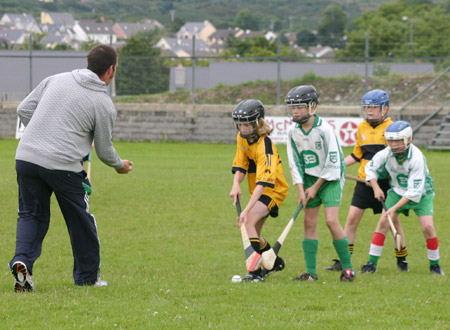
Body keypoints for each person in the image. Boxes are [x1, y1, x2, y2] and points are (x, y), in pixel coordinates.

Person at [9, 45, 133, 292]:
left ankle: (22, 263)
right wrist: (120, 165)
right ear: (111, 69)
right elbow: (105, 151)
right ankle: (88, 278)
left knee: (31, 215)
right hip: (63, 166)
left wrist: (42, 135)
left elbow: (23, 109)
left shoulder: (56, 79)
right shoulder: (103, 103)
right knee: (81, 221)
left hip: (26, 157)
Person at [325, 90, 408, 272]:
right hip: (363, 183)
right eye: (366, 107)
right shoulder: (362, 127)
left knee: (392, 222)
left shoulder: (392, 129)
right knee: (352, 219)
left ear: (385, 108)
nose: (369, 111)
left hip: (385, 184)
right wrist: (337, 167)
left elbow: (394, 159)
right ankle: (343, 260)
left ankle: (402, 260)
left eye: (373, 107)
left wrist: (378, 180)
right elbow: (357, 155)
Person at [285, 85, 355, 282]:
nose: (295, 111)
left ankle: (348, 269)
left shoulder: (325, 129)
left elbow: (333, 162)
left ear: (312, 107)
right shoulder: (292, 132)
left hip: (330, 178)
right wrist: (301, 190)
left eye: (300, 107)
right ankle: (310, 272)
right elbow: (294, 163)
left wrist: (315, 188)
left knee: (331, 221)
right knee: (308, 223)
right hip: (308, 179)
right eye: (293, 107)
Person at [360, 121, 444, 275]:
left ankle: (435, 265)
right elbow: (370, 168)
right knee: (384, 222)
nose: (394, 145)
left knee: (427, 227)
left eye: (398, 140)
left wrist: (393, 208)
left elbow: (414, 191)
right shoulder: (386, 153)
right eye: (391, 141)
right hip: (397, 191)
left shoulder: (417, 157)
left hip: (422, 193)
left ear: (408, 139)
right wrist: (376, 187)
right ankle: (371, 264)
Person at [229, 99, 289, 282]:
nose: (243, 129)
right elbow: (240, 164)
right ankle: (275, 261)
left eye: (247, 125)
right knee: (254, 231)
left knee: (248, 223)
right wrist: (236, 184)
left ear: (258, 122)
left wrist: (245, 211)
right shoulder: (242, 138)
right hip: (256, 189)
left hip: (273, 191)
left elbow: (263, 185)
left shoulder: (266, 147)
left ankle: (255, 272)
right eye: (240, 125)